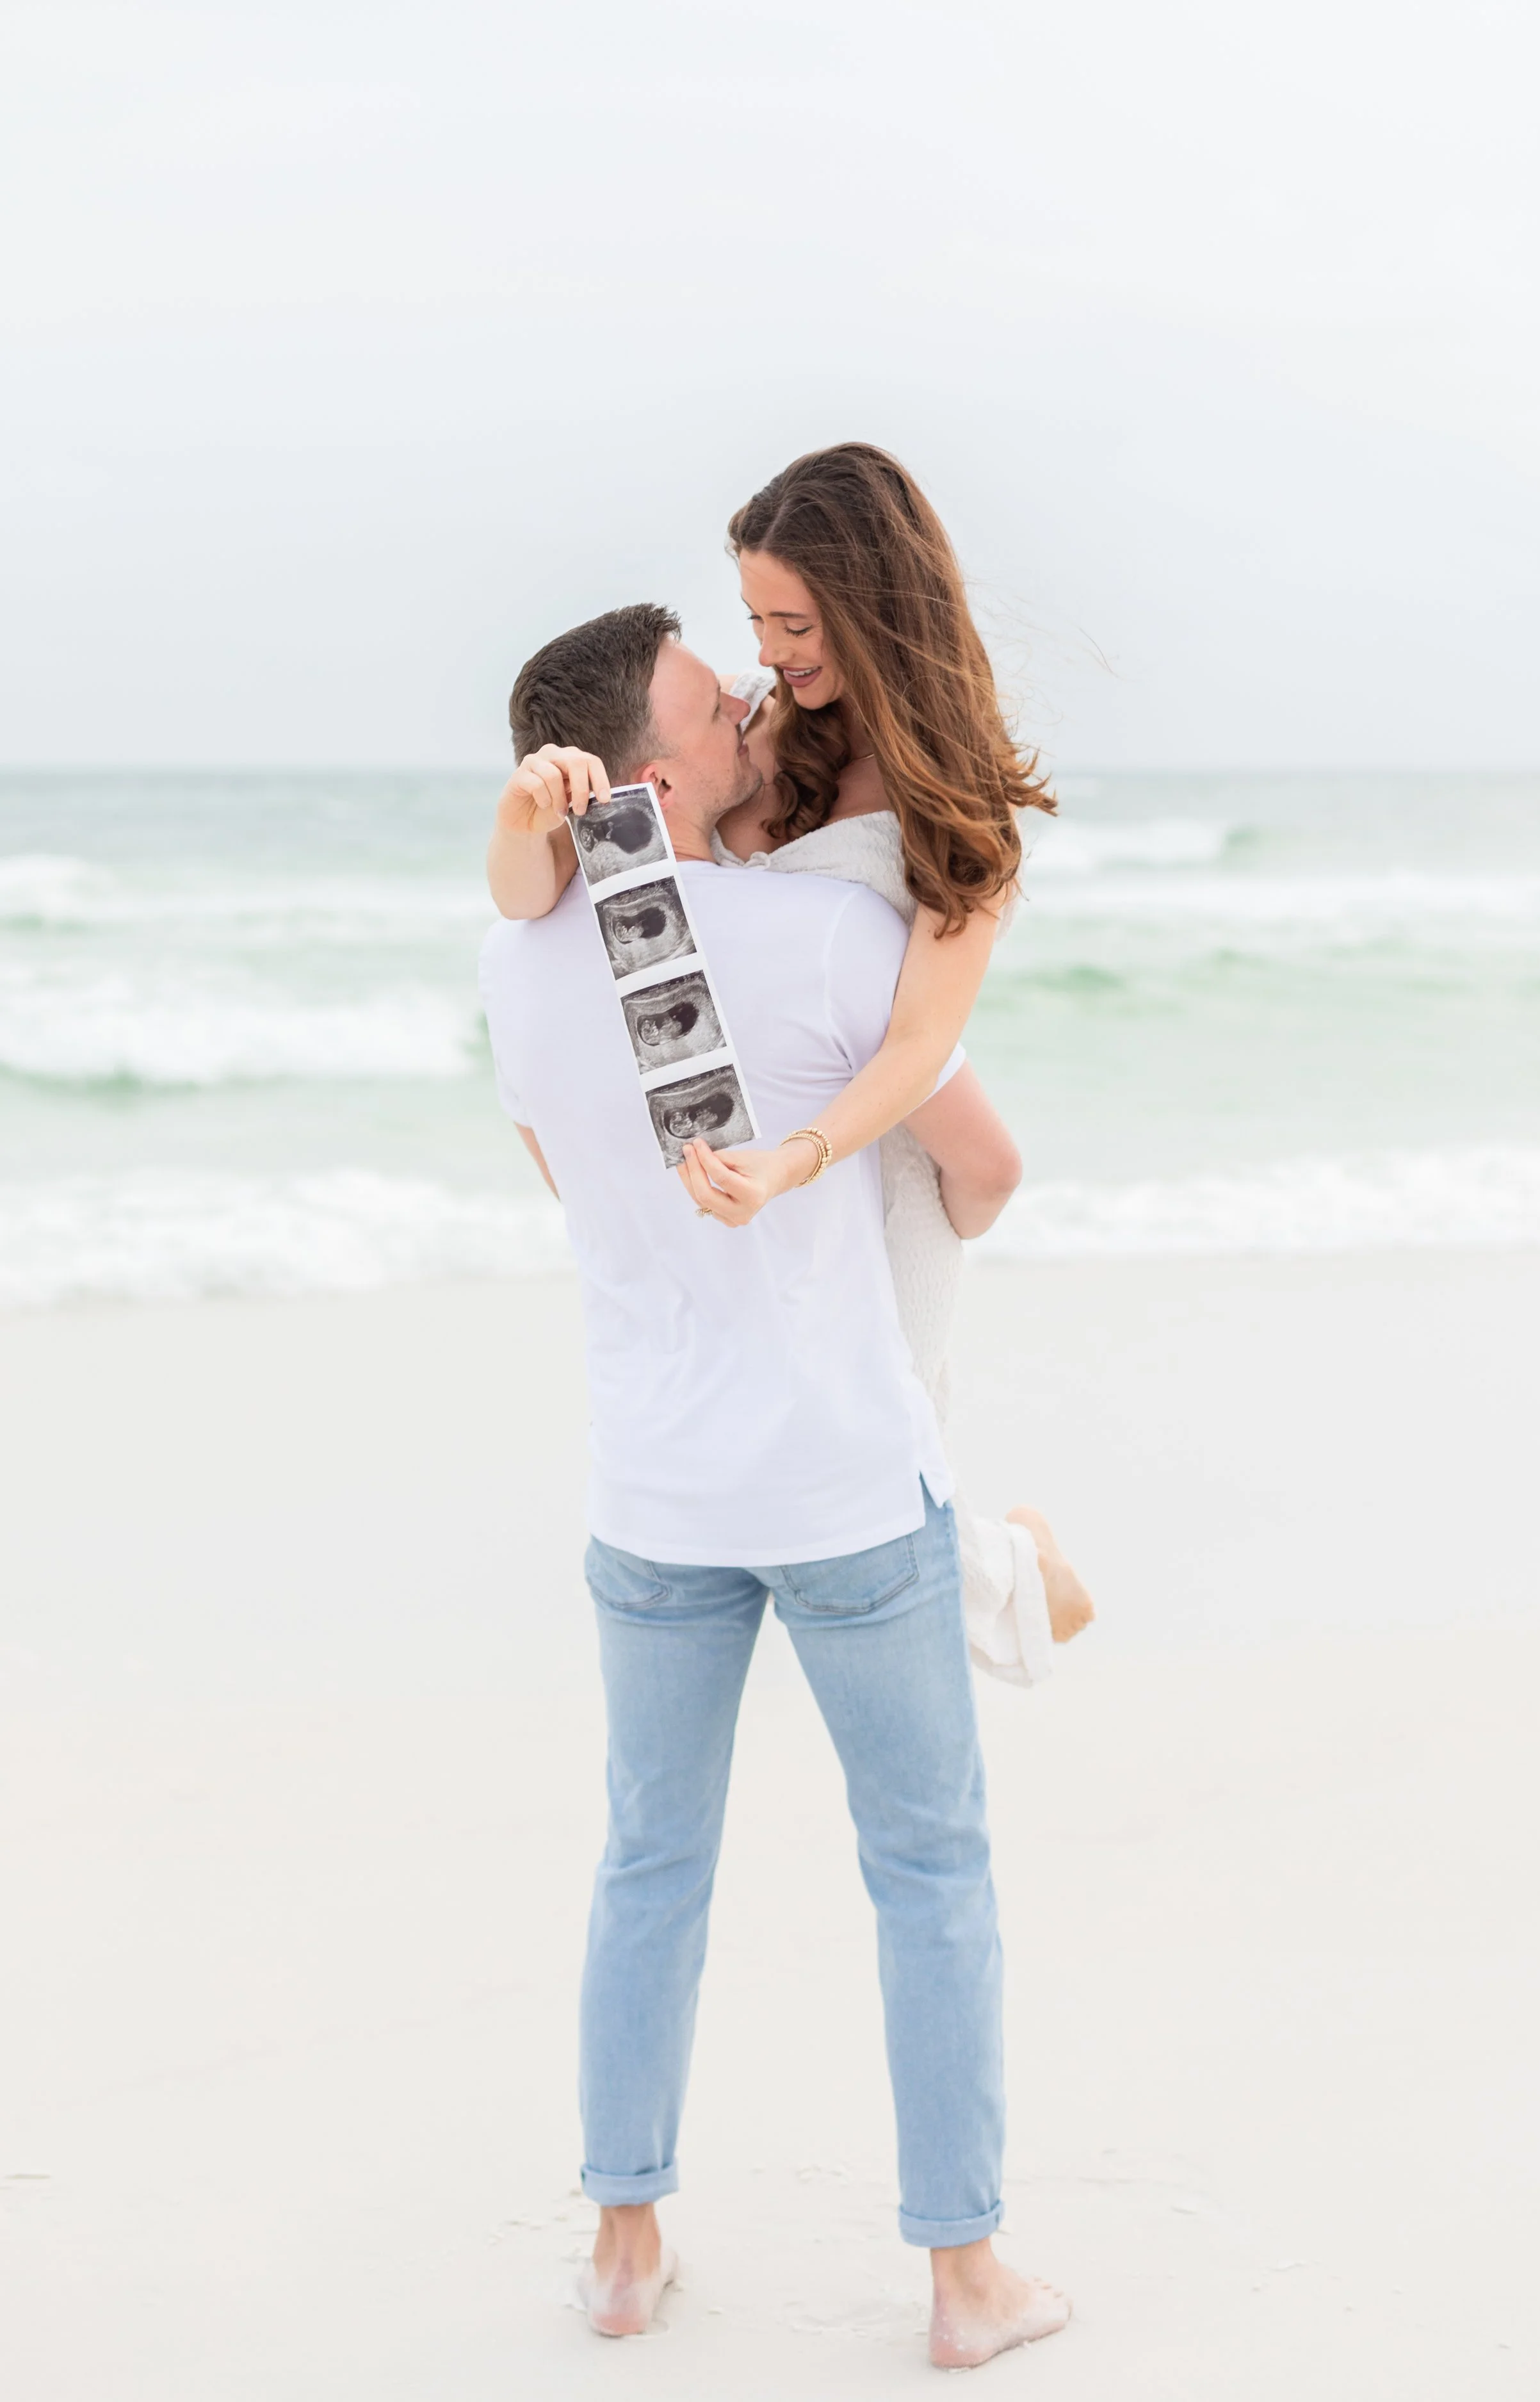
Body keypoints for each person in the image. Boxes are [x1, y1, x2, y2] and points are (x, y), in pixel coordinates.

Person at [479, 604, 1069, 2371]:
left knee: (649, 1858)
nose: (753, 697)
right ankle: (966, 2281)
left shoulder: (516, 959)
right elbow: (985, 1165)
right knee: (929, 1866)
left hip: (653, 1494)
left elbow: (567, 1179)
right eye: (714, 694)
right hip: (839, 1489)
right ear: (656, 777)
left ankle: (621, 2246)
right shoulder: (822, 934)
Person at [487, 443, 1094, 1688]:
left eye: (792, 621)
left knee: (889, 1443)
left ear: (873, 609)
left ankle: (1003, 1597)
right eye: (755, 617)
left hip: (871, 1151)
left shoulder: (954, 803)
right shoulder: (765, 731)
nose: (764, 654)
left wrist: (812, 1159)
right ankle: (1015, 1576)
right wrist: (519, 825)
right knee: (819, 1449)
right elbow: (563, 887)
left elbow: (919, 1043)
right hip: (766, 1138)